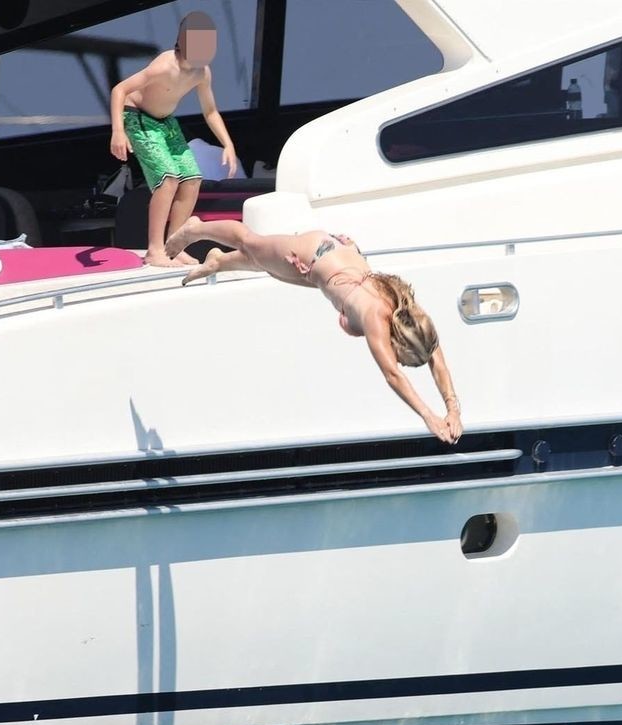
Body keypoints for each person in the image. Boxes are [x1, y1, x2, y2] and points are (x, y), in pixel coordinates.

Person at [164, 217, 462, 443]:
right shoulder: (377, 317)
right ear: (399, 343)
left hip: (331, 264)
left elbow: (437, 359)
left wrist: (453, 410)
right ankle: (196, 229)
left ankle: (218, 261)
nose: (399, 362)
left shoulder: (411, 315)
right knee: (250, 242)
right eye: (403, 358)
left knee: (267, 264)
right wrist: (428, 416)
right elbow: (392, 375)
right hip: (315, 253)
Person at [108, 11, 241, 267]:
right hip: (137, 116)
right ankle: (154, 250)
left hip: (165, 122)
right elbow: (119, 90)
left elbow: (210, 111)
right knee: (168, 179)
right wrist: (118, 131)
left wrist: (228, 143)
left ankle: (174, 246)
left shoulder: (202, 73)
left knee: (192, 179)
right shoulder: (164, 66)